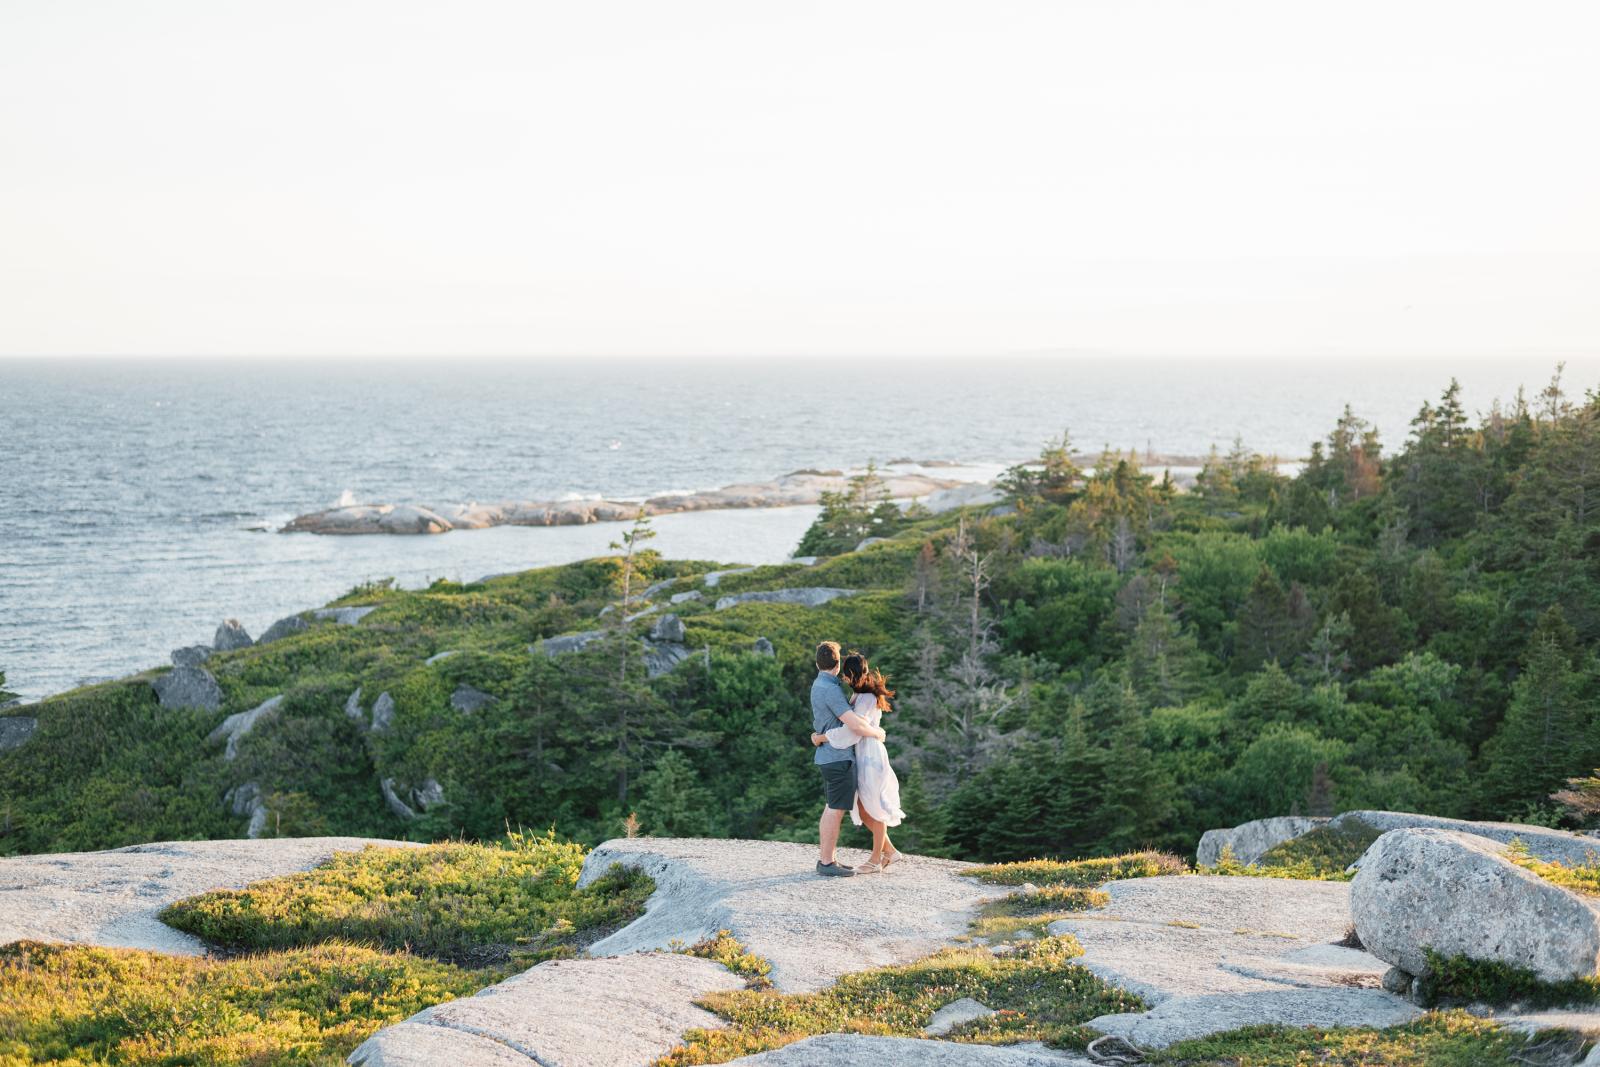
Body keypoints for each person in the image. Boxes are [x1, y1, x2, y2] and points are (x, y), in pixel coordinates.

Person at [812, 652, 905, 873]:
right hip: (862, 752)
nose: (844, 679)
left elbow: (852, 731)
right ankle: (890, 851)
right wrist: (876, 731)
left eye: (847, 675)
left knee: (873, 806)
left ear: (852, 674)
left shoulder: (865, 698)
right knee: (864, 810)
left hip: (869, 754)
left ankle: (876, 859)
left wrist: (821, 737)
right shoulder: (859, 694)